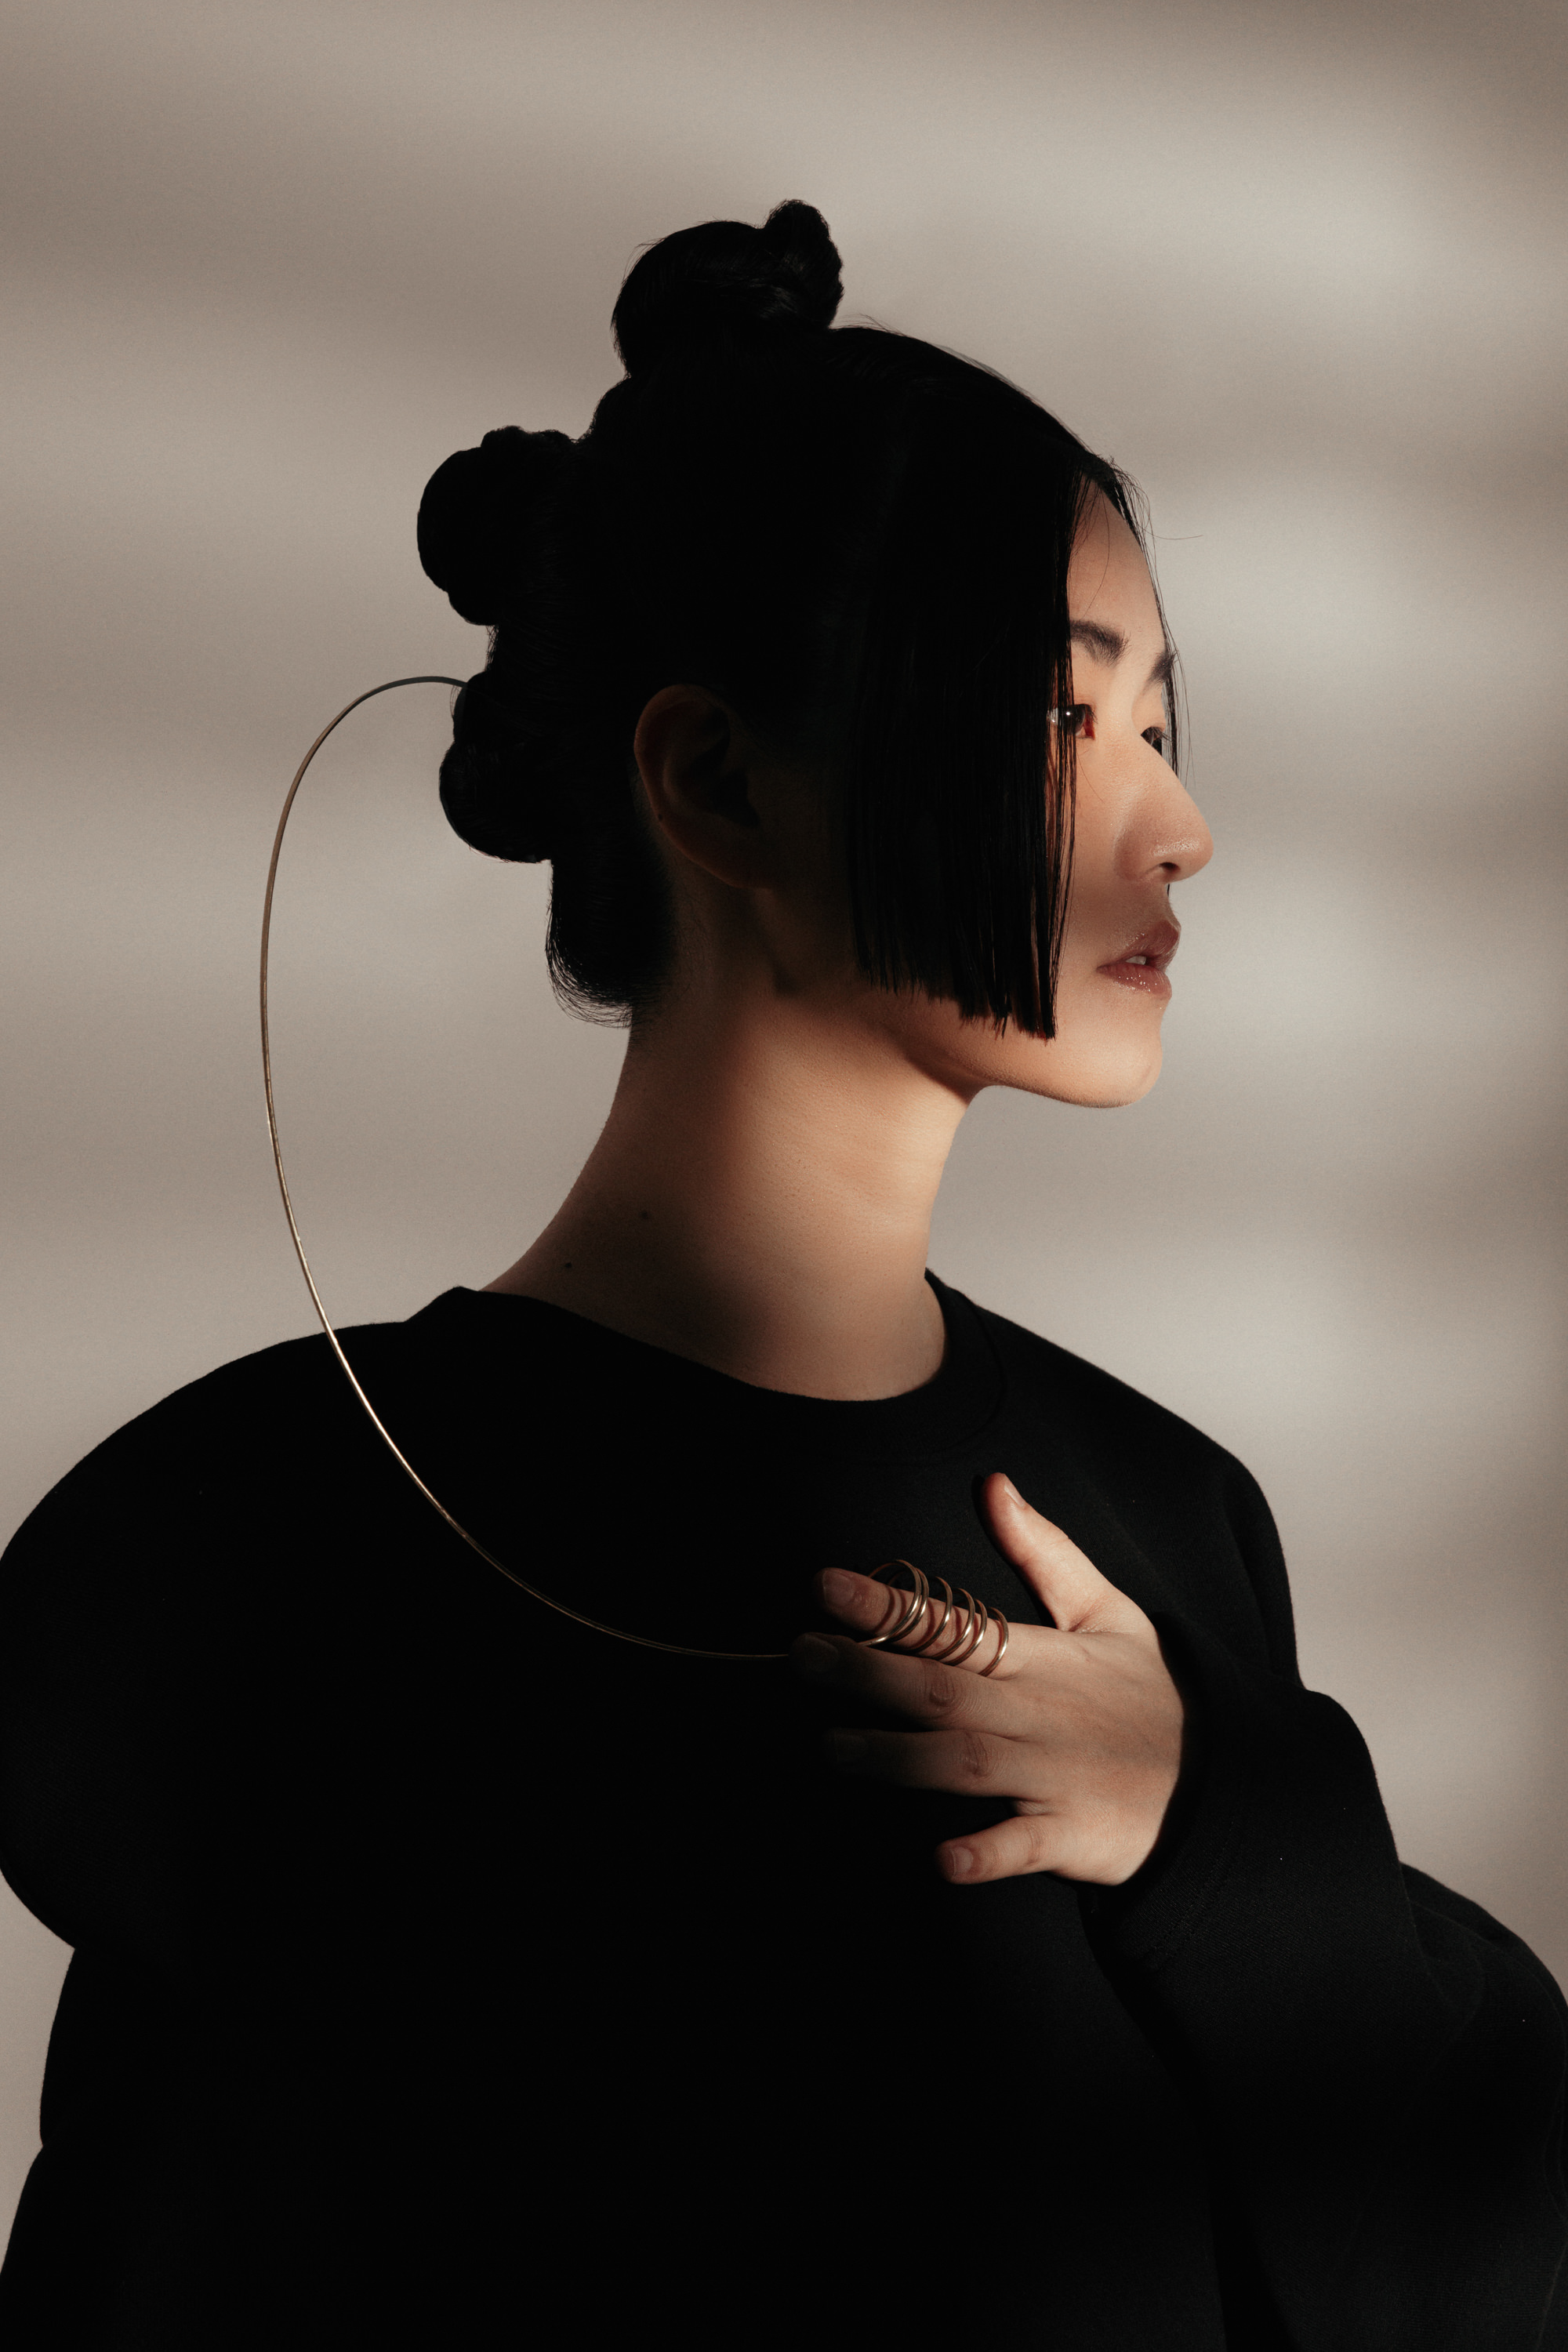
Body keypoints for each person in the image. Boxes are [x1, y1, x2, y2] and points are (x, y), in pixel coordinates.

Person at [0, 200, 1562, 2351]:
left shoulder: (1158, 1528)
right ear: (716, 780)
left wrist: (1225, 1842)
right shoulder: (261, 1548)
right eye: (1060, 718)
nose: (1179, 826)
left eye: (1163, 726)